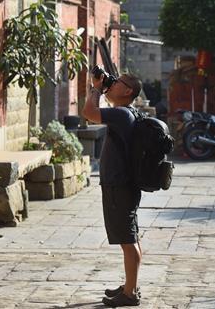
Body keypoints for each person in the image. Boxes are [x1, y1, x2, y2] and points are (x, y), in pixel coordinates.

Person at [82, 72, 144, 307]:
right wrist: (103, 89)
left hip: (118, 185)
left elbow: (89, 113)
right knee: (130, 237)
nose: (113, 83)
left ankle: (129, 295)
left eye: (118, 82)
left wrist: (96, 89)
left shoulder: (121, 114)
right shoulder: (128, 113)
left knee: (127, 240)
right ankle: (131, 286)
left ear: (128, 91)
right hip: (123, 184)